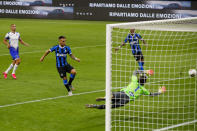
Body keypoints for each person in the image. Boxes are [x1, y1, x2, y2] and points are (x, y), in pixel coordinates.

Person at [86, 70, 166, 109]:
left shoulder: (134, 81)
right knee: (110, 106)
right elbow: (151, 94)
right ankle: (96, 106)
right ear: (145, 82)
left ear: (138, 79)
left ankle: (106, 97)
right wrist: (159, 92)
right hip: (126, 100)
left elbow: (135, 72)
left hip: (123, 93)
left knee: (112, 95)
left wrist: (145, 71)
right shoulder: (143, 90)